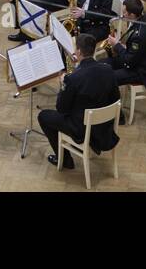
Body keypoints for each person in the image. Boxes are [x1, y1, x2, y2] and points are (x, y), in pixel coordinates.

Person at [38, 33, 120, 170]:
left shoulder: (73, 78)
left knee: (44, 116)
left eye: (76, 49)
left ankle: (65, 160)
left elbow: (61, 108)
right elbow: (116, 98)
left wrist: (63, 85)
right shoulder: (108, 69)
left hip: (83, 129)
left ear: (80, 52)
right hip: (104, 127)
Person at [105, 0, 146, 94]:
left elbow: (129, 60)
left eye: (124, 13)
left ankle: (114, 104)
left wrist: (116, 45)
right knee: (103, 64)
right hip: (137, 59)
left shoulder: (139, 35)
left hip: (141, 70)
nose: (122, 15)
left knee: (108, 77)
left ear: (132, 15)